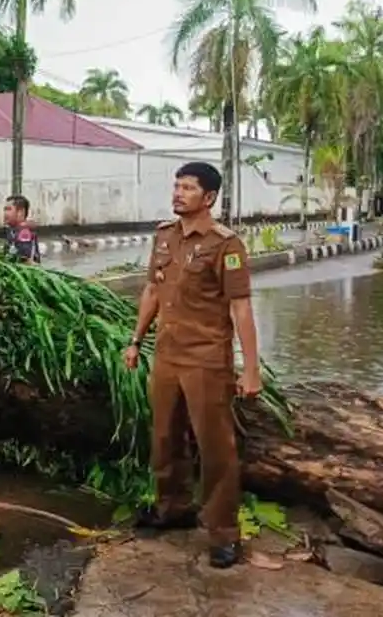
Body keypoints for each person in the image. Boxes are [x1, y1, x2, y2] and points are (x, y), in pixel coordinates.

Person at [121, 161, 261, 569]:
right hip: (167, 355)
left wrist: (250, 368)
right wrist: (136, 341)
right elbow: (152, 290)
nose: (178, 193)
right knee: (165, 437)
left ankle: (224, 534)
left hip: (206, 360)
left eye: (188, 188)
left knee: (215, 447)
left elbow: (241, 307)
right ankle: (173, 508)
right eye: (177, 186)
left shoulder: (226, 245)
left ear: (209, 197)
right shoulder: (165, 236)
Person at [2, 195, 40, 264]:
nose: (5, 213)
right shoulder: (12, 230)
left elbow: (24, 259)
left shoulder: (24, 232)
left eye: (9, 209)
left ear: (20, 212)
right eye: (5, 209)